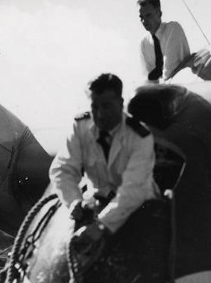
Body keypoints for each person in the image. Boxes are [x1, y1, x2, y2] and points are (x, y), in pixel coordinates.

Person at [48, 73, 157, 250]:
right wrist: (73, 201)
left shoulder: (139, 137)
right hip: (96, 204)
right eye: (94, 107)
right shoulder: (81, 127)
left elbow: (133, 190)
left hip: (137, 209)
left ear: (121, 104)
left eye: (107, 106)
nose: (99, 114)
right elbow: (63, 169)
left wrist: (101, 225)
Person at [138, 0, 190, 82]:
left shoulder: (173, 29)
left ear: (159, 14)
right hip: (164, 90)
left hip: (183, 84)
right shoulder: (144, 42)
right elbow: (148, 78)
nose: (144, 21)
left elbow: (170, 70)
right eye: (141, 17)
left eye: (148, 15)